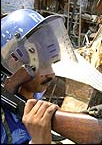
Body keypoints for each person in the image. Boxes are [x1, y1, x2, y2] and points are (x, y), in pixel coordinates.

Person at [1, 9, 65, 144]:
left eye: (49, 62)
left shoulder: (32, 94)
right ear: (13, 62)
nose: (51, 74)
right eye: (41, 64)